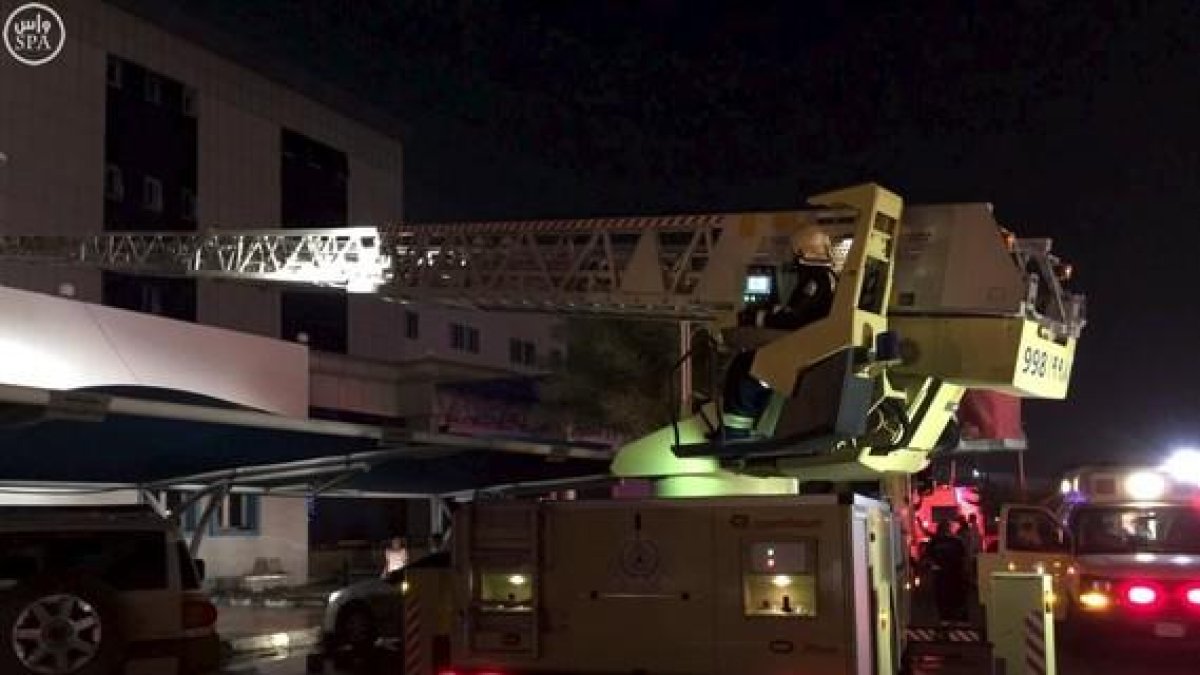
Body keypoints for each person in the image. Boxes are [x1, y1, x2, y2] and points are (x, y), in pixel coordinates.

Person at [722, 225, 839, 427]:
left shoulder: (814, 279)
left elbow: (793, 319)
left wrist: (754, 319)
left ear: (802, 252)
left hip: (802, 348)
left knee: (744, 368)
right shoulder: (830, 277)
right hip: (813, 344)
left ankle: (735, 435)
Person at [927, 520, 968, 622]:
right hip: (955, 575)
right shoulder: (956, 541)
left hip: (942, 576)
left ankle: (945, 619)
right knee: (956, 598)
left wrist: (932, 566)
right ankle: (958, 619)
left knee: (942, 599)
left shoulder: (935, 541)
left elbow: (929, 557)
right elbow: (963, 557)